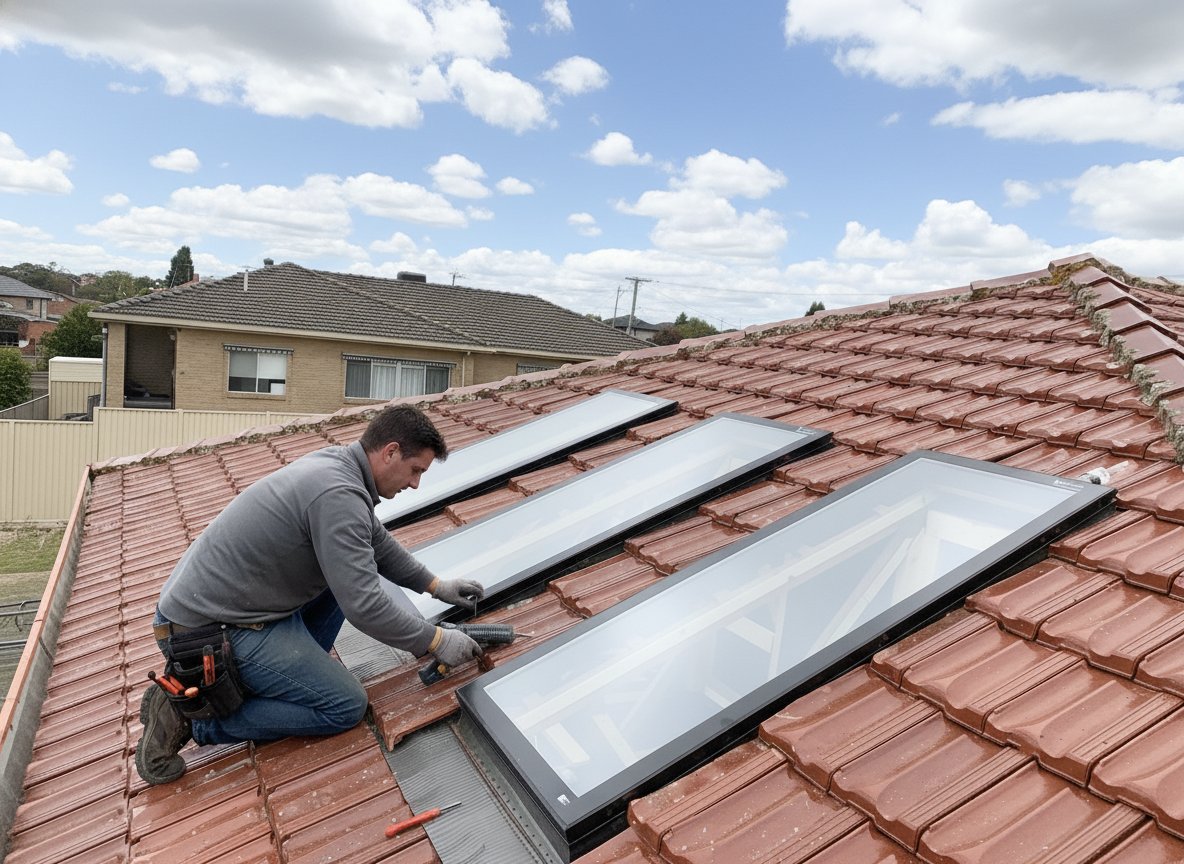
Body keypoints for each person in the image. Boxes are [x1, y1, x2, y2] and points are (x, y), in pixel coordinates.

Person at [136, 405, 485, 785]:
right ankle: (196, 717)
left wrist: (435, 586)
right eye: (416, 470)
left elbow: (376, 545)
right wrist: (436, 640)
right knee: (345, 705)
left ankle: (272, 681)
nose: (416, 484)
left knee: (343, 579)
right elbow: (365, 606)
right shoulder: (338, 493)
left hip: (235, 609)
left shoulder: (340, 467)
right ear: (390, 452)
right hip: (206, 631)